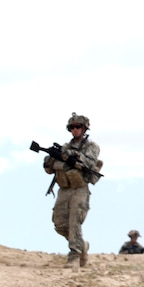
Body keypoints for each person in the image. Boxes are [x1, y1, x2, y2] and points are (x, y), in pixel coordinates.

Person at [42, 113, 102, 267]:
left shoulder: (91, 146)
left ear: (84, 129)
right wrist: (51, 157)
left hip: (79, 188)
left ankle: (74, 256)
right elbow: (49, 170)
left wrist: (72, 155)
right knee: (59, 223)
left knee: (75, 221)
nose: (75, 130)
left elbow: (89, 162)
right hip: (64, 188)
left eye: (78, 127)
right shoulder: (64, 147)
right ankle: (82, 245)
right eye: (72, 127)